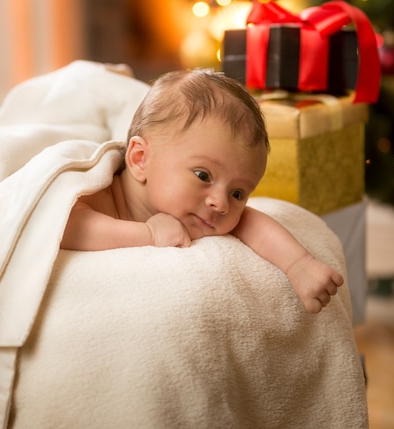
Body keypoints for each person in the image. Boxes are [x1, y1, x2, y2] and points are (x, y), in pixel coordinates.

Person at [61, 69, 343, 313]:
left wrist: (298, 264)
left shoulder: (210, 212)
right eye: (203, 175)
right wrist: (149, 234)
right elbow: (66, 224)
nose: (221, 204)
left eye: (238, 193)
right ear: (140, 159)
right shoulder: (103, 192)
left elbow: (251, 222)